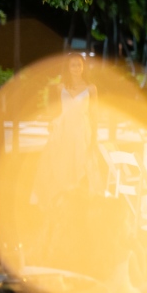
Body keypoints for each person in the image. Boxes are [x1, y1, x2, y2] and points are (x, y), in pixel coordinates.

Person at [33, 54, 100, 203]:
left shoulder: (91, 88)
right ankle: (60, 200)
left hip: (82, 128)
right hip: (63, 129)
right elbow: (55, 110)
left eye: (79, 65)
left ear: (83, 67)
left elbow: (94, 114)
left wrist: (94, 137)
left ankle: (81, 200)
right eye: (73, 65)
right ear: (68, 68)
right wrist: (52, 122)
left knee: (81, 162)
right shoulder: (60, 87)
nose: (76, 68)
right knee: (60, 163)